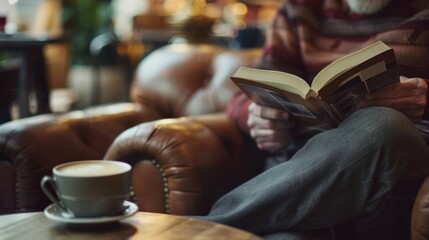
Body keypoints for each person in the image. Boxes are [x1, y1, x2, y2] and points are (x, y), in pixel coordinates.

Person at [195, 0, 429, 239]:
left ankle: (204, 229)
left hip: (394, 165)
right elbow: (244, 97)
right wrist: (258, 115)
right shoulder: (300, 8)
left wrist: (425, 98)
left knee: (383, 125)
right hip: (305, 166)